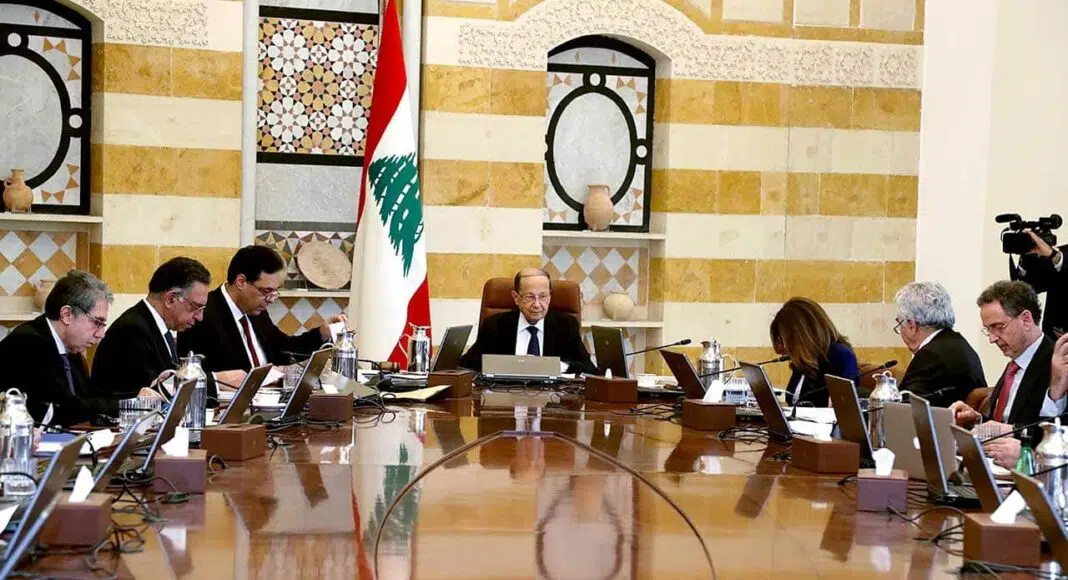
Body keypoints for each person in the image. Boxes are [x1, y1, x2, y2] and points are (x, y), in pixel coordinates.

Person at [176, 245, 345, 398]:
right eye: (266, 291)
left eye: (274, 292)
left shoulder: (255, 309)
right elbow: (190, 378)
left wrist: (321, 334)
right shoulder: (202, 315)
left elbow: (283, 348)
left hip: (272, 399)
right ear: (241, 281)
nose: (270, 299)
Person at [91, 257, 246, 402]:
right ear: (170, 299)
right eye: (196, 307)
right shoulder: (131, 331)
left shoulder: (155, 326)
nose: (200, 317)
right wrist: (215, 380)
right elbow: (158, 391)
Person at [0, 271, 112, 426]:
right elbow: (67, 409)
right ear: (66, 315)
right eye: (97, 323)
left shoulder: (71, 349)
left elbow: (87, 400)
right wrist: (129, 405)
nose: (101, 334)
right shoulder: (27, 343)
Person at [950, 281, 1060, 438]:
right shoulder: (1015, 364)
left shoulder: (1057, 364)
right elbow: (1003, 424)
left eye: (998, 327)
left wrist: (1011, 433)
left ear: (1026, 319)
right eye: (988, 330)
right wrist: (976, 420)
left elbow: (1053, 431)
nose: (992, 339)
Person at [458, 268, 596, 374]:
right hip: (505, 397)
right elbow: (467, 363)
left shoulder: (566, 326)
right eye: (530, 297)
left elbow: (589, 368)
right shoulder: (495, 325)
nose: (537, 304)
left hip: (552, 399)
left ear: (550, 297)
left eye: (543, 297)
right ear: (516, 298)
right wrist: (510, 365)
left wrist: (555, 366)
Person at [892, 282, 987, 407]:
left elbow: (902, 409)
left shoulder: (930, 356)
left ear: (911, 325)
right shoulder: (957, 343)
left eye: (900, 324)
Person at [770, 297, 860, 407]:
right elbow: (794, 400)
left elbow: (845, 407)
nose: (786, 350)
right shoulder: (803, 362)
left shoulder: (841, 356)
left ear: (803, 335)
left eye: (787, 342)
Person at [1009, 230, 1066, 342]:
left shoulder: (1059, 255)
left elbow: (1062, 263)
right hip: (1054, 339)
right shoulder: (1060, 252)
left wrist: (1054, 256)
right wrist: (1026, 257)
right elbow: (1033, 287)